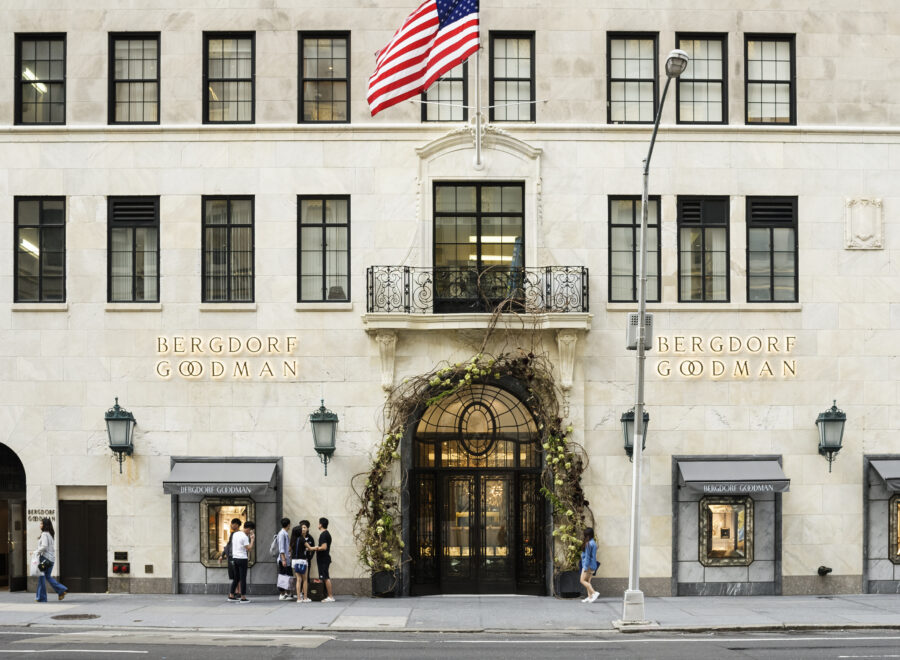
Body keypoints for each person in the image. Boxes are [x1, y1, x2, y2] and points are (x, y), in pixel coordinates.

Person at [35, 518, 67, 602]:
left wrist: (36, 552)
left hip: (45, 559)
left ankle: (41, 598)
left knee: (41, 577)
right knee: (47, 576)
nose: (40, 525)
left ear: (45, 525)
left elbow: (44, 546)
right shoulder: (50, 534)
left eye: (41, 524)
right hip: (51, 559)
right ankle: (61, 590)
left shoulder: (45, 534)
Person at [228, 519, 254, 602]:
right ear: (249, 529)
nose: (250, 532)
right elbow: (249, 549)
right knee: (243, 578)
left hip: (235, 558)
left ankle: (231, 595)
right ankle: (243, 597)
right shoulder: (244, 536)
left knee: (236, 578)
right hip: (242, 559)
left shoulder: (235, 534)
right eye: (251, 530)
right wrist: (252, 539)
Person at [290, 520, 315, 603]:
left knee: (298, 579)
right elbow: (310, 548)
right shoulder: (302, 539)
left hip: (294, 561)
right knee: (304, 579)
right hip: (302, 561)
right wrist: (317, 547)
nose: (303, 530)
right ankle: (305, 597)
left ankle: (298, 598)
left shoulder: (293, 540)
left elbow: (289, 550)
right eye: (301, 529)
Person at [314, 517, 334, 602]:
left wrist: (315, 548)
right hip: (324, 559)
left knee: (325, 577)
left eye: (318, 523)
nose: (318, 525)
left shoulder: (324, 534)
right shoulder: (326, 534)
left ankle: (330, 596)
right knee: (324, 577)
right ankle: (327, 596)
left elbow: (324, 547)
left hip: (323, 559)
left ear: (321, 525)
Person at [221, 518, 241, 599]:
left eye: (232, 524)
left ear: (236, 525)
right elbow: (228, 545)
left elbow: (229, 545)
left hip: (234, 556)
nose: (231, 525)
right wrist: (222, 555)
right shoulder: (233, 534)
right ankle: (237, 591)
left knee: (236, 575)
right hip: (232, 556)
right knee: (235, 575)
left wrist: (223, 555)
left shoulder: (237, 534)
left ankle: (238, 592)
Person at [579, 527, 599, 603]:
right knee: (588, 581)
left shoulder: (588, 544)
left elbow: (587, 557)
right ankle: (590, 597)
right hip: (593, 565)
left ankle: (594, 593)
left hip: (588, 565)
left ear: (587, 535)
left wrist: (585, 567)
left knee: (582, 580)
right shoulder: (593, 543)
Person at [276, 517, 293, 600]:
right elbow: (281, 548)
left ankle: (287, 593)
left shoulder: (284, 533)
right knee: (283, 577)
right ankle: (282, 594)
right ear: (288, 525)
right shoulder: (282, 534)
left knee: (288, 576)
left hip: (286, 559)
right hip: (283, 559)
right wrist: (283, 560)